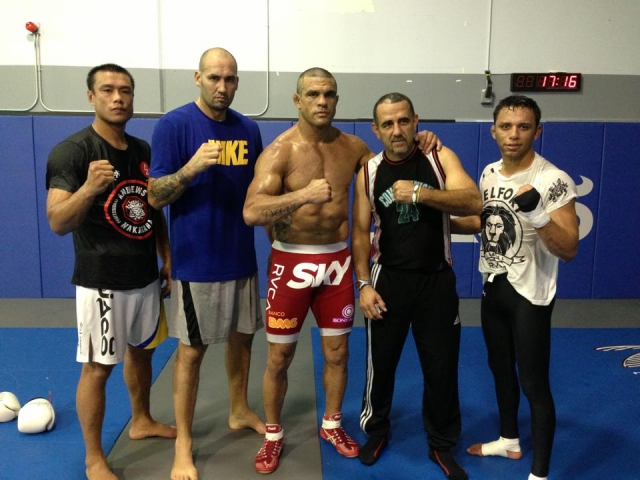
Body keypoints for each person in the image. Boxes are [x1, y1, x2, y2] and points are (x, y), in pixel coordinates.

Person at [242, 69, 440, 474]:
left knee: (338, 353)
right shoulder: (280, 151)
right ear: (297, 100)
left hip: (336, 262)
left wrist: (424, 141)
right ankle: (273, 434)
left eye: (329, 94)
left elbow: (393, 163)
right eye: (313, 94)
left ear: (336, 99)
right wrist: (303, 195)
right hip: (291, 262)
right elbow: (251, 211)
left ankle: (331, 425)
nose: (322, 101)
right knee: (279, 357)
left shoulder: (353, 148)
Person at [45, 63, 176, 480]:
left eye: (125, 90)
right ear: (91, 97)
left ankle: (142, 420)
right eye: (107, 90)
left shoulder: (142, 149)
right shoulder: (73, 151)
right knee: (98, 368)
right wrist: (87, 188)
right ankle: (94, 458)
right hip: (101, 282)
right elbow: (57, 221)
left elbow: (153, 208)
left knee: (143, 351)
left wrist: (166, 255)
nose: (117, 98)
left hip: (145, 276)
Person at [147, 47, 265, 480]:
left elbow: (260, 192)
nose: (222, 86)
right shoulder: (174, 125)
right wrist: (191, 168)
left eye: (230, 79)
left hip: (242, 257)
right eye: (214, 77)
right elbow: (154, 196)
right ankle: (184, 442)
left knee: (243, 339)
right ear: (198, 78)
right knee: (192, 352)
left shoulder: (248, 129)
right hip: (197, 262)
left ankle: (239, 409)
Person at [351, 93, 481, 480]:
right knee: (380, 364)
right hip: (387, 279)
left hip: (436, 280)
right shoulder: (369, 172)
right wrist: (363, 284)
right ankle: (376, 431)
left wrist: (422, 193)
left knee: (441, 366)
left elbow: (473, 202)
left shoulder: (439, 157)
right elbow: (359, 232)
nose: (397, 130)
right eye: (387, 124)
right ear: (376, 130)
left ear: (416, 121)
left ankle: (441, 442)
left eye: (403, 121)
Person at [465, 95, 579, 480]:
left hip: (531, 295)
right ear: (493, 131)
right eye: (506, 126)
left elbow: (569, 249)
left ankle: (540, 474)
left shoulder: (553, 179)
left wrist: (538, 213)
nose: (514, 134)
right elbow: (482, 223)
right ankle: (509, 440)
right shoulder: (488, 173)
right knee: (500, 369)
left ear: (537, 131)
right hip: (493, 287)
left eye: (524, 127)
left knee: (533, 382)